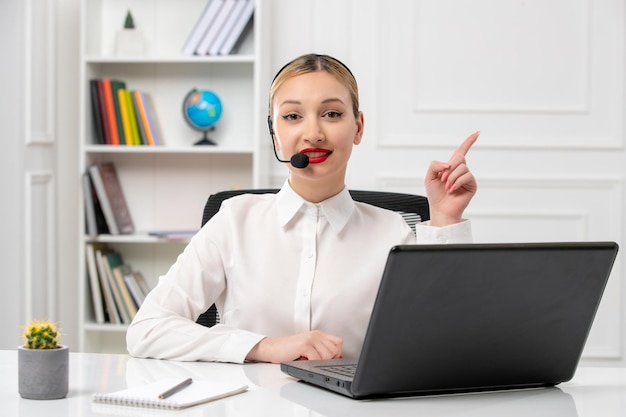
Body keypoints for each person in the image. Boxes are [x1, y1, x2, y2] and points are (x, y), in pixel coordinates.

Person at [126, 53, 479, 364]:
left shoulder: (394, 233)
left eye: (331, 113)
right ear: (275, 133)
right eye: (293, 116)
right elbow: (147, 330)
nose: (313, 133)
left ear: (358, 127)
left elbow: (448, 341)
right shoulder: (234, 220)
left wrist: (446, 218)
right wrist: (264, 347)